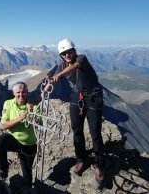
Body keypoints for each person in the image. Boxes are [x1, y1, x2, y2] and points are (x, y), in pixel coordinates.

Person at [44, 38, 105, 185]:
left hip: (93, 97)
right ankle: (81, 159)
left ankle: (99, 164)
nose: (67, 55)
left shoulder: (81, 59)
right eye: (63, 53)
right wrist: (45, 91)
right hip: (76, 97)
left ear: (74, 51)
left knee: (95, 132)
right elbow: (53, 80)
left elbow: (75, 66)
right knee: (76, 130)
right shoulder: (62, 65)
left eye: (68, 52)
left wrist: (59, 75)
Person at [0, 81, 39, 188]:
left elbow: (39, 124)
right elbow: (4, 125)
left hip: (28, 143)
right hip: (14, 140)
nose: (21, 95)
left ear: (27, 92)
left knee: (27, 174)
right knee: (0, 141)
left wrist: (32, 113)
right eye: (18, 92)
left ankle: (28, 187)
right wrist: (19, 118)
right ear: (13, 93)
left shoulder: (33, 106)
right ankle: (3, 169)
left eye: (23, 92)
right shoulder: (8, 104)